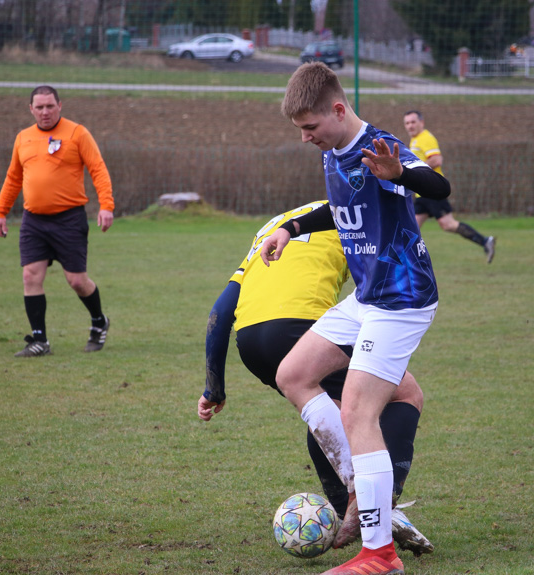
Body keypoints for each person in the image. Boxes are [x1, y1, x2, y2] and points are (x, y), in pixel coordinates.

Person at [260, 62, 451, 575]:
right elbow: (340, 204)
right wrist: (293, 227)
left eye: (310, 128)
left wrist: (401, 173)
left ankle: (380, 554)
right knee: (293, 375)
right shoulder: (335, 151)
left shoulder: (381, 147)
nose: (305, 138)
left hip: (402, 299)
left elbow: (437, 185)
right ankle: (360, 489)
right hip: (367, 297)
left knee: (358, 412)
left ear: (338, 110)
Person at [197, 200, 433, 557]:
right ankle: (383, 504)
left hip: (250, 341)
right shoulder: (356, 213)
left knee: (324, 407)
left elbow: (220, 312)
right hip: (300, 326)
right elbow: (379, 285)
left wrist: (213, 388)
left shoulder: (272, 226)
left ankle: (344, 510)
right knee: (406, 394)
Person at [0, 85, 114, 357]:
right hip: (33, 221)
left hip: (69, 220)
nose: (45, 112)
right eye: (39, 107)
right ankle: (39, 341)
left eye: (50, 106)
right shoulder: (23, 138)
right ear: (31, 109)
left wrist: (106, 206)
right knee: (30, 275)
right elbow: (13, 178)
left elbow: (98, 169)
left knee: (76, 281)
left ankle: (99, 321)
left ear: (60, 105)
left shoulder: (77, 133)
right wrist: (0, 212)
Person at [403, 109, 495, 263]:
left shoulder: (426, 138)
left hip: (432, 190)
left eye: (413, 122)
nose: (410, 126)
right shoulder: (415, 140)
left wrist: (416, 170)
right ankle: (406, 262)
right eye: (407, 123)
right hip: (422, 193)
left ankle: (485, 241)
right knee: (411, 227)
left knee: (448, 224)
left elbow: (437, 160)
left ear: (421, 122)